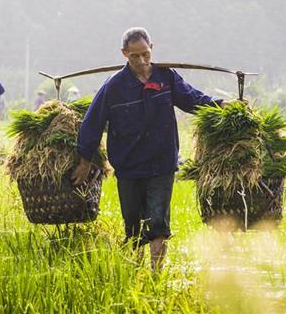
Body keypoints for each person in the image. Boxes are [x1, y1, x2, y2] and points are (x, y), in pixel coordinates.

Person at [71, 27, 226, 271]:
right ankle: (135, 271)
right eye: (135, 56)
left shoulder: (166, 78)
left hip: (161, 162)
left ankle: (155, 276)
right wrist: (84, 160)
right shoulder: (114, 87)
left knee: (158, 224)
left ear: (151, 48)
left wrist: (222, 106)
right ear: (124, 54)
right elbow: (93, 122)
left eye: (145, 54)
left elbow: (192, 99)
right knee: (133, 227)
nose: (142, 61)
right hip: (129, 166)